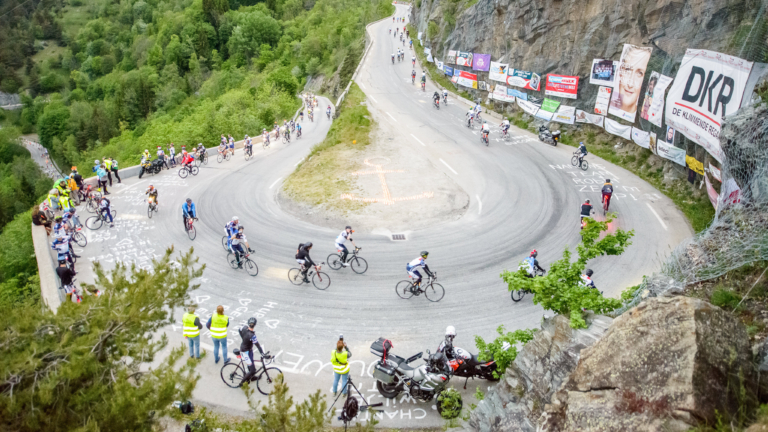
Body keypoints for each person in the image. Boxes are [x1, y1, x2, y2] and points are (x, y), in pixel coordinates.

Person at [239, 317, 269, 386]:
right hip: (245, 352)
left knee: (252, 366)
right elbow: (258, 346)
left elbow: (239, 330)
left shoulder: (244, 327)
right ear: (255, 325)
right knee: (252, 370)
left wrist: (243, 338)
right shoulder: (252, 336)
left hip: (249, 350)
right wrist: (263, 354)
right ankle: (241, 383)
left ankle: (252, 377)